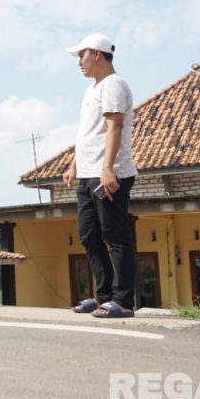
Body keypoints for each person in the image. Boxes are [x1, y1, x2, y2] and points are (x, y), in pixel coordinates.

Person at [62, 34, 138, 319]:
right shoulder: (93, 89)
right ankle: (104, 296)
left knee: (115, 235)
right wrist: (73, 164)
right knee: (89, 235)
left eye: (81, 56)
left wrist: (108, 169)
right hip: (87, 172)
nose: (79, 63)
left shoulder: (114, 85)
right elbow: (88, 133)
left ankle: (124, 300)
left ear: (96, 54)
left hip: (108, 173)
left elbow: (115, 126)